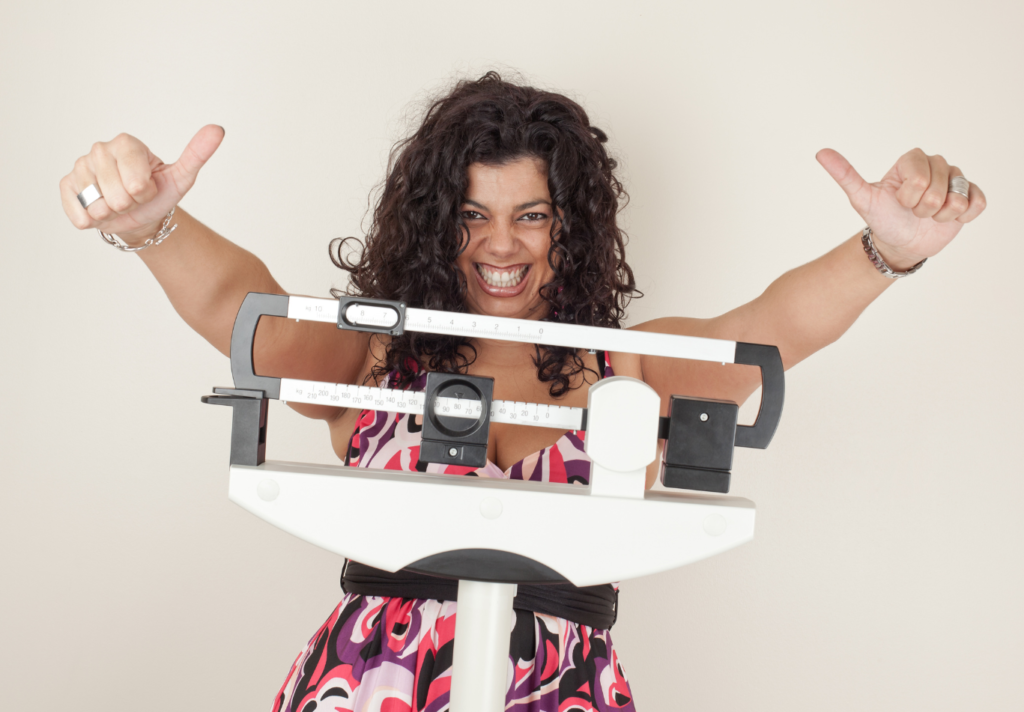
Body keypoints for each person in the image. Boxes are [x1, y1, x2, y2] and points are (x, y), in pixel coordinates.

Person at [59, 72, 986, 712]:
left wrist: (888, 248)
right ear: (434, 224)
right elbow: (239, 306)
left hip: (563, 688)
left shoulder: (631, 372)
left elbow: (776, 326)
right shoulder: (374, 362)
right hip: (370, 686)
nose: (502, 245)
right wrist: (152, 226)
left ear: (569, 226)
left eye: (531, 215)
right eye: (472, 216)